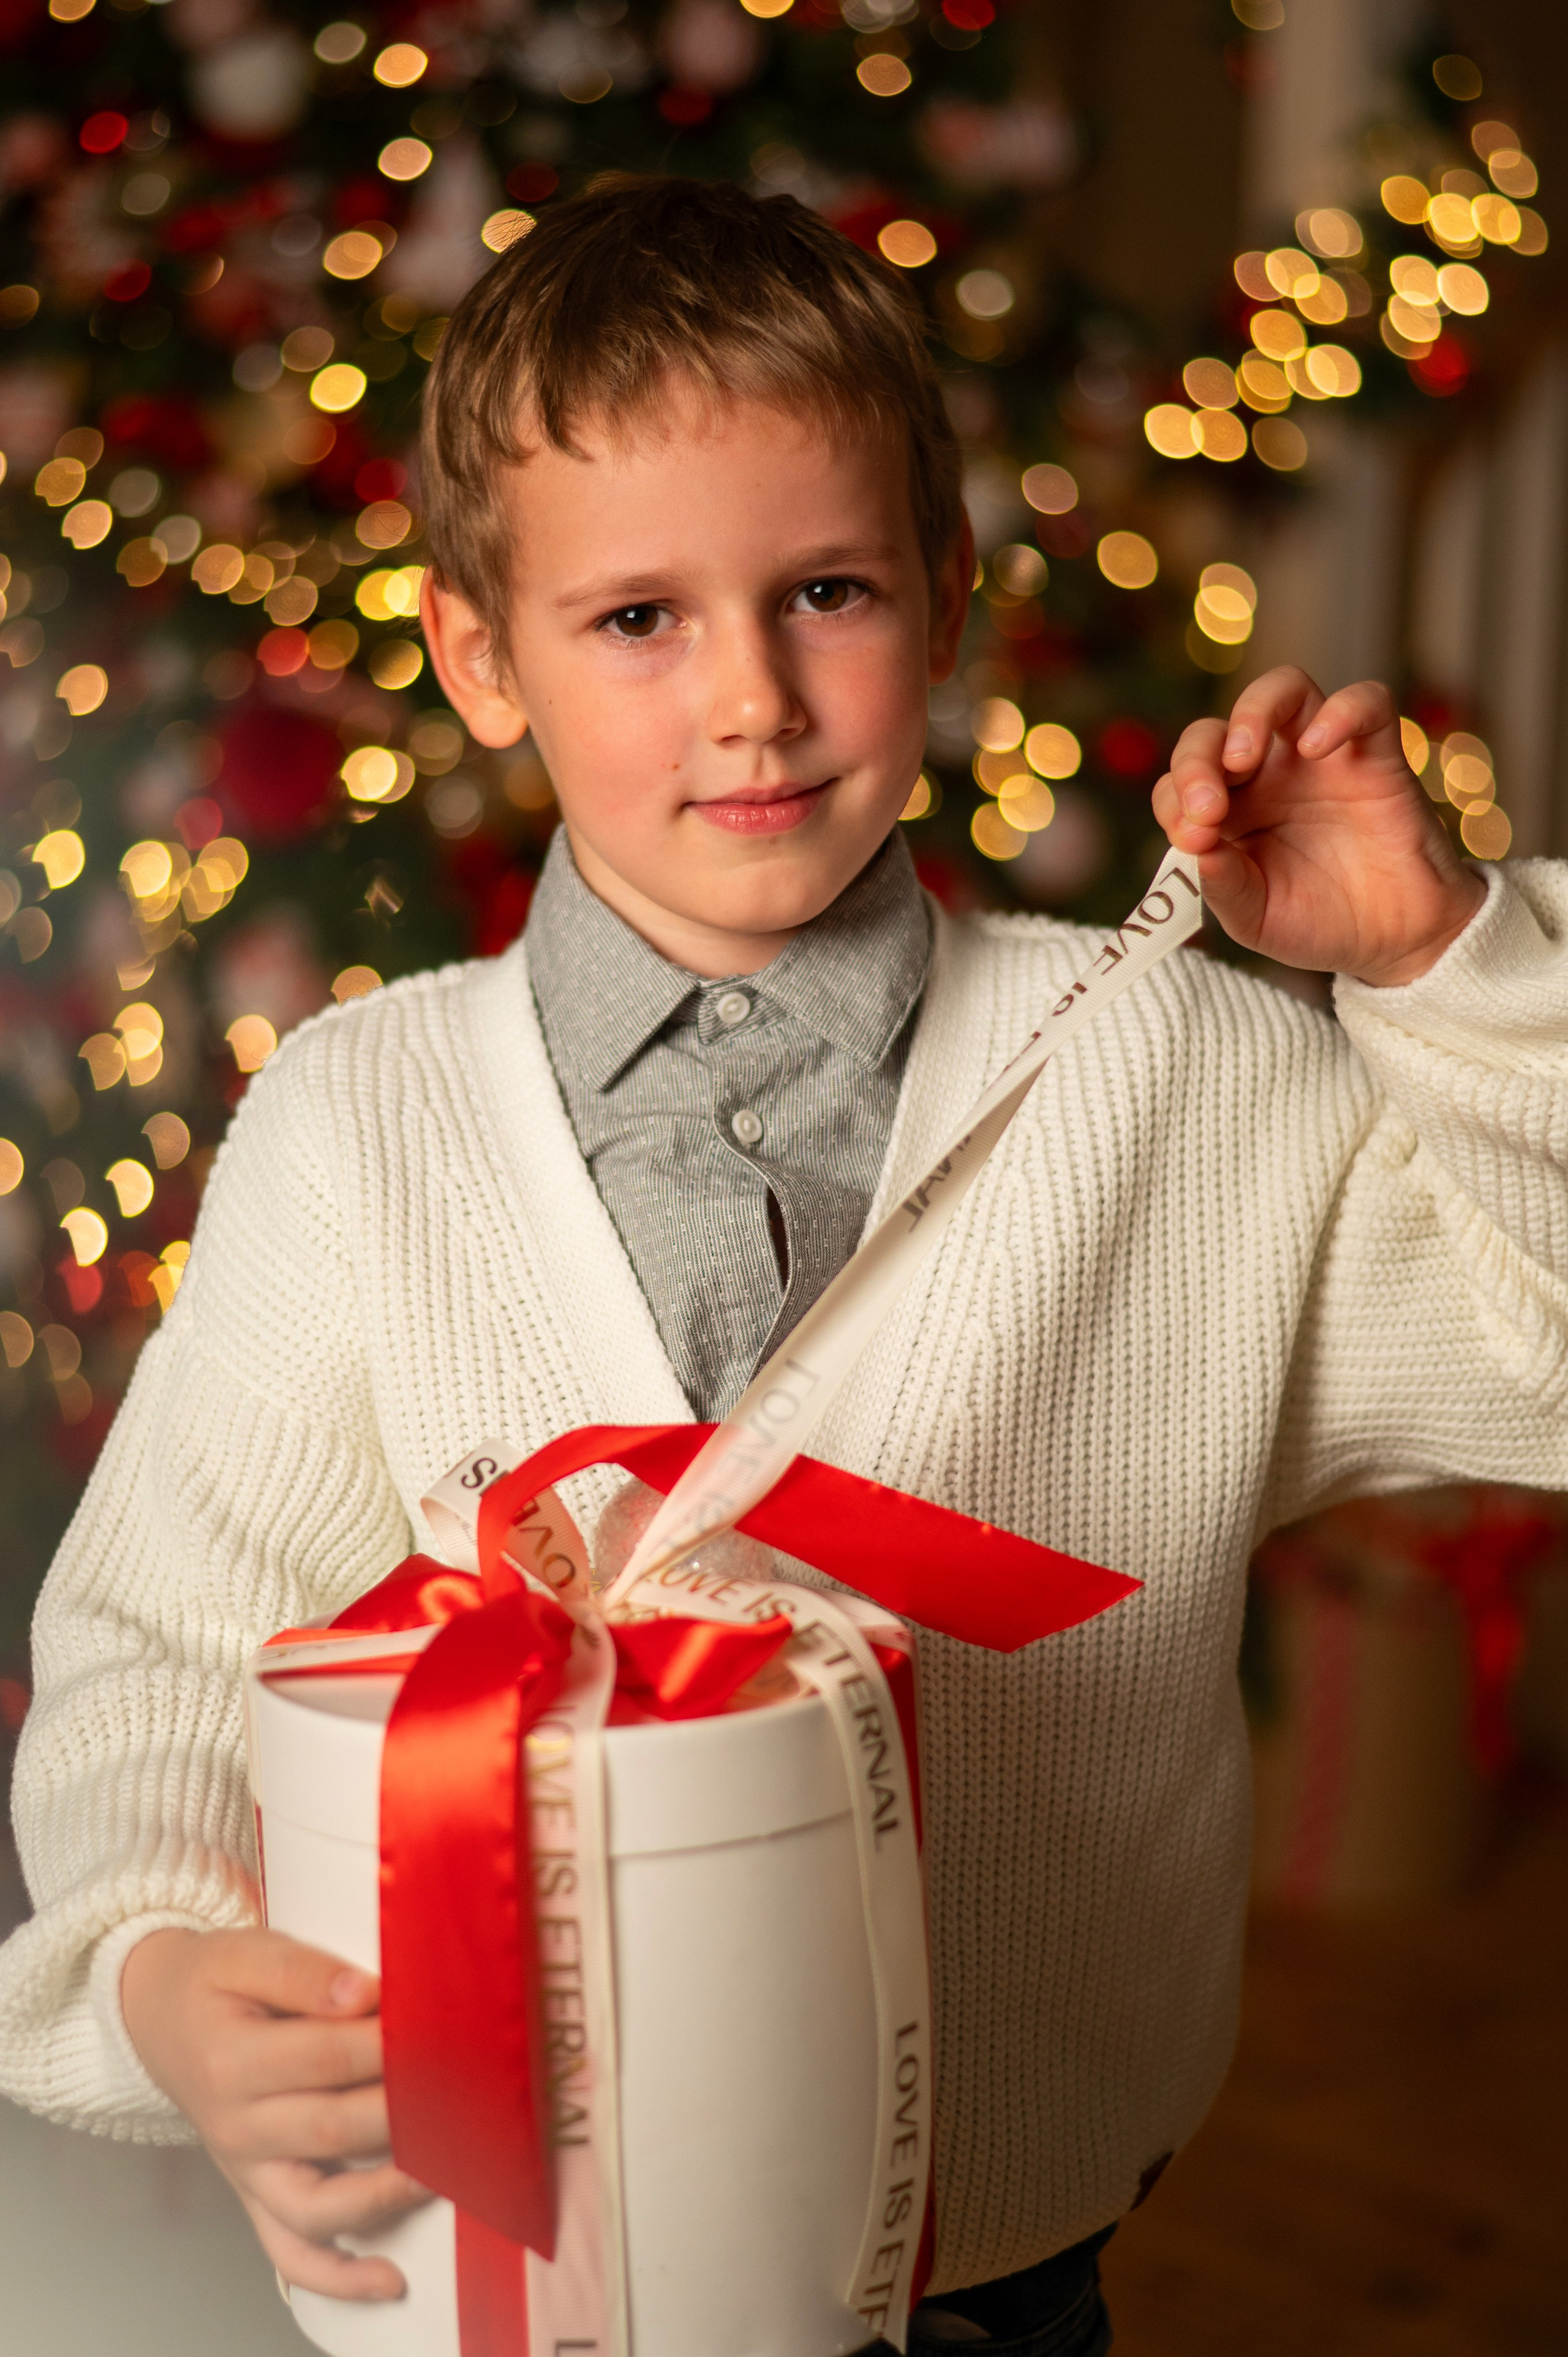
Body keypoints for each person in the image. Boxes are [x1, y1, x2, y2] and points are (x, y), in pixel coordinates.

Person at [2, 175, 1566, 2357]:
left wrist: (1442, 958)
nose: (750, 698)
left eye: (822, 590)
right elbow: (166, 1649)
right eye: (637, 618)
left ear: (941, 603)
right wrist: (160, 1968)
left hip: (1002, 2276)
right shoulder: (358, 1127)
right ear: (479, 654)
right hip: (490, 2256)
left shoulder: (1181, 1084)